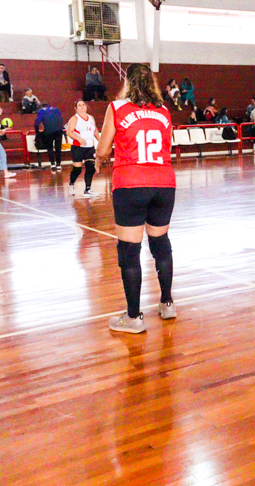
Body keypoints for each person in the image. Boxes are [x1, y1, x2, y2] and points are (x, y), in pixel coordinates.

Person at [97, 63, 177, 332]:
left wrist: (99, 159)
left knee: (130, 251)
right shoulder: (164, 110)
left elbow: (103, 150)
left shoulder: (117, 108)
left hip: (131, 183)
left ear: (127, 83)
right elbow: (166, 145)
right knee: (160, 243)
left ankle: (133, 318)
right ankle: (167, 303)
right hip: (164, 183)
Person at [66, 100, 99, 197]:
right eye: (79, 105)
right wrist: (79, 139)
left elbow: (95, 131)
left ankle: (88, 189)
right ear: (76, 108)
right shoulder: (74, 119)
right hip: (78, 147)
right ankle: (71, 184)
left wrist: (101, 141)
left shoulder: (91, 118)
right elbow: (69, 132)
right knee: (77, 169)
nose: (82, 107)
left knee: (90, 167)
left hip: (90, 147)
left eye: (83, 105)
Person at [35, 103, 65, 170]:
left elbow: (37, 122)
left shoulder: (42, 111)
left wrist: (37, 131)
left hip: (48, 131)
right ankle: (58, 164)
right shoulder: (56, 109)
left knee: (50, 147)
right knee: (58, 147)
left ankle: (52, 164)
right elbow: (61, 119)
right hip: (59, 130)